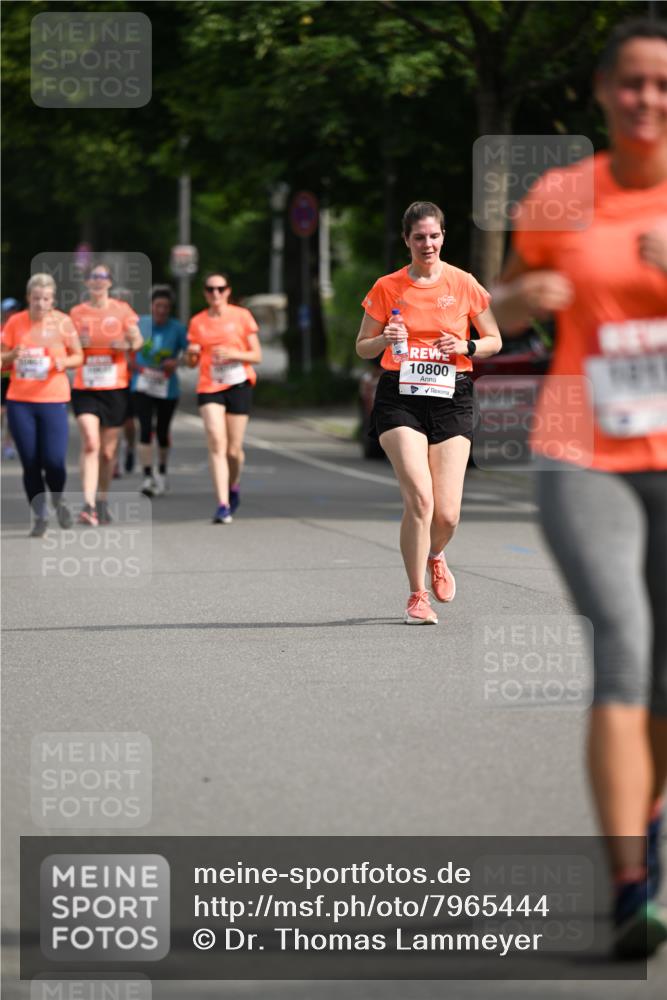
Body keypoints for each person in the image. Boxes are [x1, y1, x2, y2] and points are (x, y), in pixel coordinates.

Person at [492, 19, 667, 957]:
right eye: (631, 84)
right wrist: (525, 301)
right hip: (584, 450)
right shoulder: (560, 195)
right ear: (602, 94)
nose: (647, 100)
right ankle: (629, 884)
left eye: (662, 86)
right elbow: (500, 303)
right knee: (623, 651)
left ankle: (650, 822)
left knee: (666, 677)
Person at [356, 201, 502, 624]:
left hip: (452, 395)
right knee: (419, 498)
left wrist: (465, 346)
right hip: (400, 395)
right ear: (407, 240)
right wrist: (385, 337)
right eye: (419, 237)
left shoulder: (463, 283)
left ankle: (436, 554)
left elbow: (492, 338)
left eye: (434, 236)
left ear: (443, 237)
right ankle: (416, 596)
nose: (427, 244)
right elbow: (362, 346)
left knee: (448, 512)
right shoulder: (388, 287)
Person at [0, 274, 83, 536]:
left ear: (53, 300)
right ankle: (40, 516)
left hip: (53, 399)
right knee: (31, 462)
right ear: (28, 299)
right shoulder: (15, 322)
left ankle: (58, 498)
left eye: (46, 299)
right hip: (20, 401)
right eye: (36, 299)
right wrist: (12, 355)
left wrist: (63, 363)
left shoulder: (63, 322)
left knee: (54, 461)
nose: (40, 304)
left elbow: (78, 356)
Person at [69, 263, 143, 526]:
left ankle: (101, 500)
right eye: (93, 277)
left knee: (108, 454)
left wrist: (126, 344)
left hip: (115, 388)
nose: (98, 281)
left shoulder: (121, 310)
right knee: (90, 442)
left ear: (110, 282)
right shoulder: (77, 313)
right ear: (87, 283)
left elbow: (137, 339)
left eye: (103, 277)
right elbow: (65, 344)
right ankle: (87, 505)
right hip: (85, 388)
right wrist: (78, 344)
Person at [186, 272, 261, 524]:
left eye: (220, 289)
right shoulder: (197, 322)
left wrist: (233, 353)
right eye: (210, 289)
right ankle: (222, 504)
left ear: (228, 291)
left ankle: (234, 484)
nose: (215, 293)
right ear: (205, 293)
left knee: (233, 451)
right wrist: (192, 353)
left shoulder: (241, 316)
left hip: (238, 383)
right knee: (216, 442)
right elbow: (190, 363)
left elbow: (256, 355)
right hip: (209, 386)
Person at [130, 285, 187, 496]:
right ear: (151, 306)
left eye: (166, 307)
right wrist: (132, 363)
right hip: (142, 384)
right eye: (158, 306)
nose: (161, 310)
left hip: (167, 387)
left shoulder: (177, 328)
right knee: (145, 428)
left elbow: (191, 355)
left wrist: (176, 361)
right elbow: (126, 347)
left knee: (162, 431)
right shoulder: (140, 324)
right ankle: (147, 476)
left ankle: (162, 471)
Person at [1, 296, 21, 459]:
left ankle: (8, 444)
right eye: (9, 310)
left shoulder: (19, 328)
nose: (12, 313)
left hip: (14, 376)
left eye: (15, 310)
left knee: (9, 412)